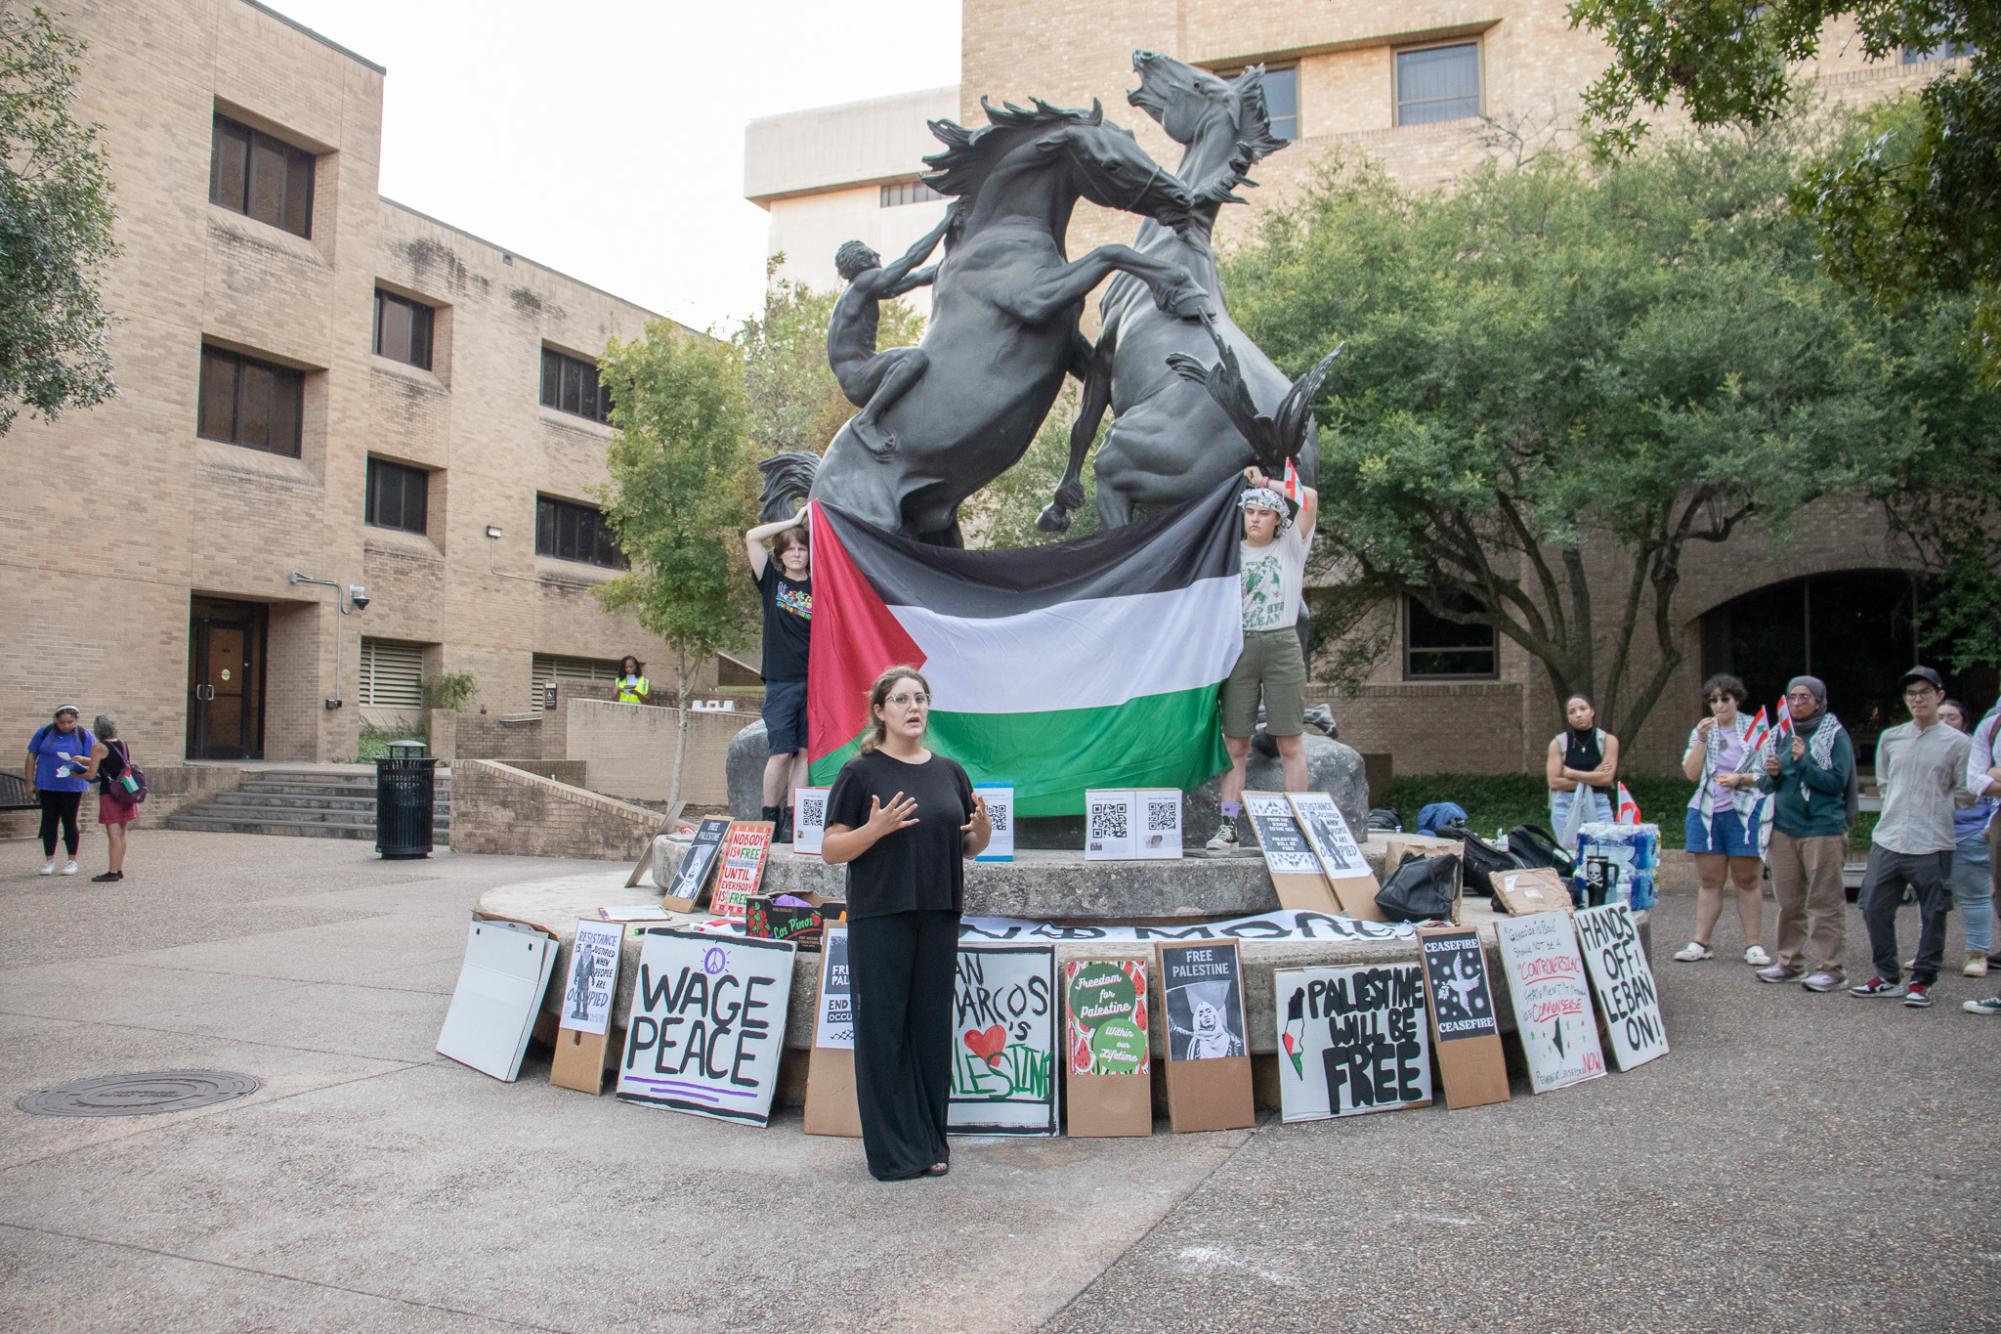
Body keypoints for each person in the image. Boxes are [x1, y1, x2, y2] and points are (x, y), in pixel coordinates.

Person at [822, 666, 991, 1182]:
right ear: (880, 711)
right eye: (900, 700)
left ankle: (930, 1141)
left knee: (930, 1030)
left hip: (938, 913)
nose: (913, 708)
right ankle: (893, 1152)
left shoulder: (951, 772)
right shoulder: (860, 772)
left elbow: (966, 846)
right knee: (884, 1031)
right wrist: (874, 829)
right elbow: (831, 849)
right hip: (881, 915)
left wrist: (983, 831)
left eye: (920, 698)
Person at [1206, 466, 1318, 852]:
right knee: (1235, 743)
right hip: (1239, 646)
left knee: (1289, 742)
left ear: (1277, 519)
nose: (1255, 518)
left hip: (1282, 643)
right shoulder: (1228, 552)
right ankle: (1228, 827)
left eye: (1264, 512)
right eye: (1250, 511)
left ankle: (1297, 825)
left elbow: (1310, 498)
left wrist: (1264, 483)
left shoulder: (1290, 545)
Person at [1850, 667, 1973, 1008]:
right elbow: (1885, 781)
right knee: (1873, 905)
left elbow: (1965, 793)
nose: (1917, 699)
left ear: (1939, 695)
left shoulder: (1958, 743)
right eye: (1911, 694)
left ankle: (1922, 980)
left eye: (1924, 692)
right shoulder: (1891, 737)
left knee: (1933, 911)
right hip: (1889, 837)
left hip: (1932, 840)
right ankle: (1887, 976)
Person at [1756, 676, 1857, 991]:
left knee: (1824, 901)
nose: (1797, 703)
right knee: (1789, 901)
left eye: (1804, 697)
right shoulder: (1779, 734)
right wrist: (1772, 775)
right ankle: (1789, 962)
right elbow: (1764, 783)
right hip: (1784, 828)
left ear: (1818, 701)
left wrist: (1802, 763)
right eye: (1792, 697)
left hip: (1821, 828)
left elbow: (1836, 782)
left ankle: (1832, 968)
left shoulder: (1833, 734)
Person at [829, 210, 953, 459]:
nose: (879, 256)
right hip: (859, 377)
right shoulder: (863, 282)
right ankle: (866, 421)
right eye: (873, 254)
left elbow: (918, 277)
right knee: (913, 359)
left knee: (912, 365)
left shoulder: (863, 291)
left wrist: (960, 258)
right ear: (864, 260)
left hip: (858, 377)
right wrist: (945, 222)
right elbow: (911, 260)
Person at [1671, 675, 1773, 966]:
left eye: (1724, 699)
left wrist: (1741, 778)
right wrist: (1701, 739)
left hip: (1745, 810)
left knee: (1747, 879)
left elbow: (1769, 776)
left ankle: (1753, 944)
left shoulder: (1756, 728)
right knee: (1709, 879)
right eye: (1713, 700)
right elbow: (1691, 773)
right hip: (1707, 810)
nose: (1719, 705)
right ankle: (1700, 941)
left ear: (1736, 700)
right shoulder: (1704, 730)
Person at [746, 509, 812, 842]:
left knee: (805, 752)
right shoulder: (771, 581)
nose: (797, 554)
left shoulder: (820, 585)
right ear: (781, 554)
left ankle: (793, 823)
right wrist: (794, 522)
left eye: (803, 548)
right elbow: (751, 537)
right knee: (782, 751)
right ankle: (768, 819)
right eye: (791, 549)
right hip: (781, 680)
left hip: (813, 681)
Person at [1936, 699, 1994, 978]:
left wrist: (1989, 825)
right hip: (1932, 833)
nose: (1946, 722)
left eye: (1952, 717)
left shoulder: (1977, 746)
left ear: (1964, 722)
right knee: (1930, 896)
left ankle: (1977, 953)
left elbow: (1983, 784)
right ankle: (1929, 952)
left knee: (1975, 895)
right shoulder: (1926, 746)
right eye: (1941, 717)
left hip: (1970, 831)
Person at [1962, 700, 2001, 1015]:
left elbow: (1988, 776)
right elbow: (1975, 780)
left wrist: (1996, 773)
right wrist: (1988, 775)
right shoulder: (1991, 725)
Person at [24, 705, 95, 877]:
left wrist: (79, 762)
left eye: (70, 722)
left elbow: (93, 760)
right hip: (47, 784)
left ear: (76, 720)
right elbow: (31, 755)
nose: (65, 725)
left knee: (69, 822)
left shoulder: (84, 735)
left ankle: (72, 860)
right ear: (56, 720)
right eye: (62, 722)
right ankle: (49, 860)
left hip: (72, 785)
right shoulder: (44, 732)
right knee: (49, 822)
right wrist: (29, 782)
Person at [1546, 694, 1618, 850]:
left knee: (1603, 851)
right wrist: (1593, 776)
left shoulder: (1607, 740)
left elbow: (1606, 779)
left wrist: (1572, 773)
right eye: (1572, 711)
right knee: (1571, 853)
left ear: (1592, 711)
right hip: (1565, 804)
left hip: (1598, 803)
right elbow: (1554, 782)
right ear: (1568, 717)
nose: (1578, 714)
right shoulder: (1559, 743)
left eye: (1582, 709)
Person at [84, 713, 136, 883]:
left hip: (110, 793)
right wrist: (85, 760)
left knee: (112, 834)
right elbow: (114, 763)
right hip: (125, 791)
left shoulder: (98, 747)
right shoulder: (123, 744)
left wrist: (74, 773)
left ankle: (112, 871)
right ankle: (119, 868)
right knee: (121, 833)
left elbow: (92, 773)